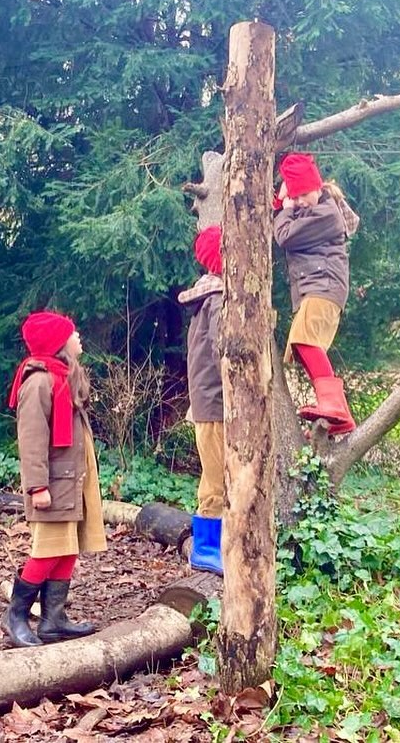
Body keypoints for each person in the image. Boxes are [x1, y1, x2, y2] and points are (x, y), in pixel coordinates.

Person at [3, 311, 107, 647]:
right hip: (52, 483)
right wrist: (37, 487)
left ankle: (53, 618)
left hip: (71, 479)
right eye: (72, 332)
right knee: (47, 551)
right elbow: (32, 439)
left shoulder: (64, 377)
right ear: (58, 344)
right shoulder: (38, 383)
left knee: (67, 549)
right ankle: (15, 615)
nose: (78, 336)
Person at [274, 153, 359, 435]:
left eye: (303, 195)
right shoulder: (314, 208)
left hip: (323, 287)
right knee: (302, 348)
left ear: (317, 188)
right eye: (294, 197)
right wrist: (284, 200)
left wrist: (285, 208)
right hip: (319, 288)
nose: (299, 202)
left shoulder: (326, 214)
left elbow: (285, 236)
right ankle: (340, 418)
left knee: (304, 341)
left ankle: (332, 405)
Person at [178, 225, 224, 576]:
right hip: (216, 407)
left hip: (211, 405)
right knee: (217, 479)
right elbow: (227, 352)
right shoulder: (218, 302)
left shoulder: (205, 301)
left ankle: (216, 545)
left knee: (218, 475)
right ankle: (207, 549)